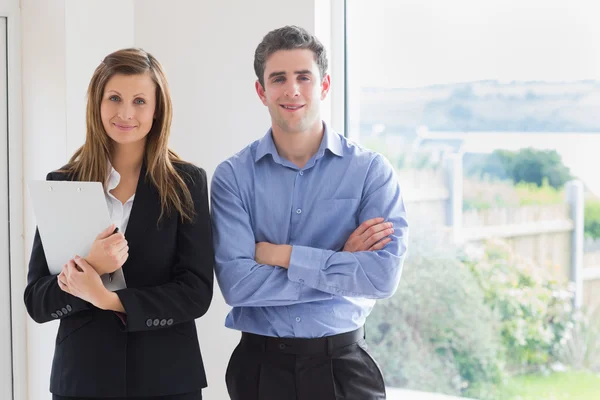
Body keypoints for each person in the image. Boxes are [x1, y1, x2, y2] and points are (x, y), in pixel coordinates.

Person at [211, 26, 408, 400]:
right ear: (261, 91)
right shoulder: (233, 176)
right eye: (278, 78)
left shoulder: (370, 172)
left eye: (304, 77)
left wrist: (280, 255)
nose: (292, 90)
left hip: (344, 367)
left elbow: (382, 277)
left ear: (325, 84)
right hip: (259, 369)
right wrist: (340, 263)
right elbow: (238, 285)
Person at [24, 48, 213, 400]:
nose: (126, 113)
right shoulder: (62, 184)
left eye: (140, 101)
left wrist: (110, 300)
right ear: (97, 103)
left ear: (157, 110)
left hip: (167, 381)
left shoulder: (187, 183)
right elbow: (37, 300)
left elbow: (196, 293)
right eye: (114, 98)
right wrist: (91, 266)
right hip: (82, 380)